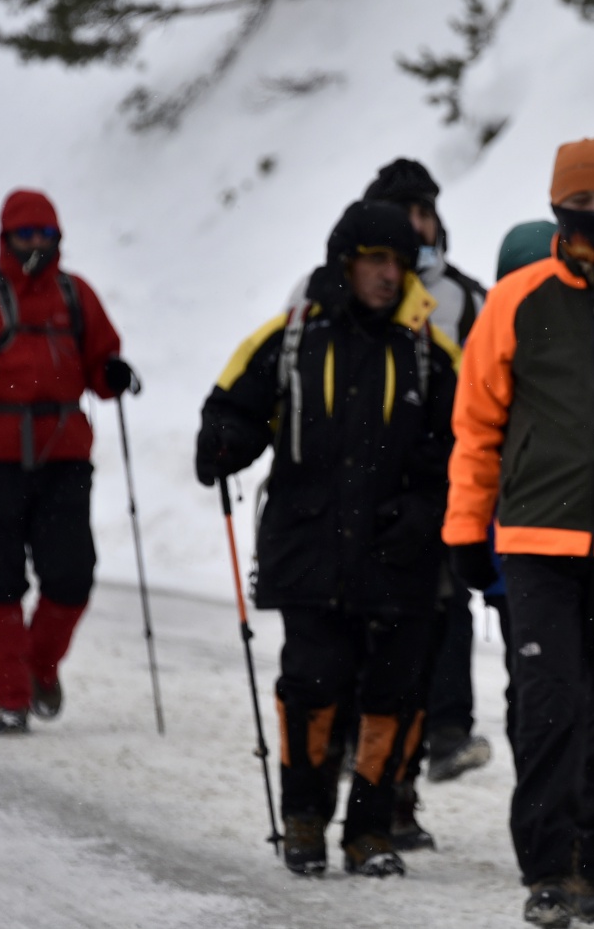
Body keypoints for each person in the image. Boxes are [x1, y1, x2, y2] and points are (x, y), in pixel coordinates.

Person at [195, 200, 458, 879]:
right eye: (375, 259)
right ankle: (305, 818)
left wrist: (427, 510)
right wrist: (223, 442)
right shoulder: (291, 337)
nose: (387, 274)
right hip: (310, 546)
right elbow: (233, 404)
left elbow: (464, 445)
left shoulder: (430, 349)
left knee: (390, 694)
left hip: (399, 554)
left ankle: (369, 830)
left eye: (398, 262)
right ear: (346, 261)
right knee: (313, 684)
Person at [444, 138, 594, 927]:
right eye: (582, 203)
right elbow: (477, 424)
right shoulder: (516, 299)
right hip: (536, 541)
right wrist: (468, 528)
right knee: (549, 705)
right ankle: (547, 866)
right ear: (557, 207)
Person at [0, 188, 133, 736]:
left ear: (58, 238)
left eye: (45, 235)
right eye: (26, 234)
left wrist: (113, 374)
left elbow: (102, 363)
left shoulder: (75, 294)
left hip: (64, 457)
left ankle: (39, 668)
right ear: (6, 237)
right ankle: (10, 699)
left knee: (71, 578)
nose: (36, 244)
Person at [361, 158, 493, 854]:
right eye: (406, 210)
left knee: (440, 618)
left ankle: (431, 750)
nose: (421, 223)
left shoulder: (464, 297)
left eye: (426, 210)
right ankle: (382, 790)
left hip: (443, 489)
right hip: (363, 501)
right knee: (375, 646)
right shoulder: (353, 295)